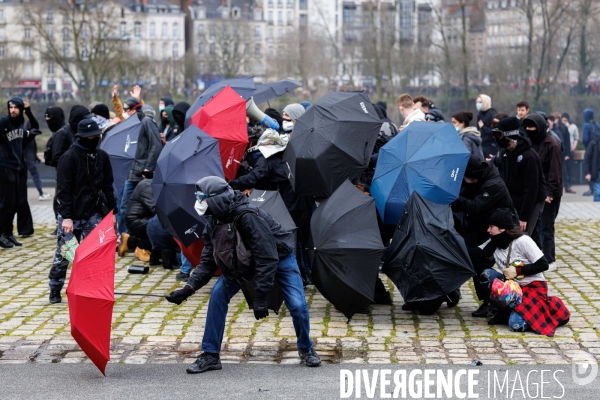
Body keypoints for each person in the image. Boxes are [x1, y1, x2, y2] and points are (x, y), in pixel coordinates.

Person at [166, 176, 321, 373]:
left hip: (278, 257)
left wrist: (260, 296)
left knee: (298, 306)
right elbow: (207, 261)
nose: (199, 203)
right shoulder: (213, 221)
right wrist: (188, 289)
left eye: (202, 198)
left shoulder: (248, 215)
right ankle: (210, 354)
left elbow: (267, 257)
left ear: (216, 199)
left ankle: (306, 348)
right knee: (218, 295)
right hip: (242, 262)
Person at [49, 119, 118, 303]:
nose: (93, 139)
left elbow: (108, 186)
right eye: (90, 137)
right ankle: (55, 288)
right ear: (81, 137)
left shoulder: (102, 156)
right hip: (70, 215)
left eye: (96, 136)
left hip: (93, 213)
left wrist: (112, 213)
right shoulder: (68, 158)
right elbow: (63, 191)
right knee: (64, 254)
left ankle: (94, 289)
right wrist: (67, 218)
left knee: (96, 254)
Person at [477, 209, 570, 335]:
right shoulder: (494, 243)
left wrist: (517, 271)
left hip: (532, 288)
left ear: (502, 229)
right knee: (487, 275)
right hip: (513, 288)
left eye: (492, 226)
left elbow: (543, 264)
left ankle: (553, 309)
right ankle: (504, 310)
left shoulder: (523, 241)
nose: (488, 230)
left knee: (516, 326)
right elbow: (476, 254)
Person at [452, 156, 513, 318]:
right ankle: (451, 289)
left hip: (497, 229)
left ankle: (490, 301)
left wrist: (454, 197)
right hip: (480, 226)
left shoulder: (493, 185)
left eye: (466, 177)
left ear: (474, 175)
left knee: (477, 260)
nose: (464, 180)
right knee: (460, 252)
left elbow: (474, 206)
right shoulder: (478, 178)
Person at [492, 117, 546, 243]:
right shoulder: (505, 154)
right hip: (516, 200)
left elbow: (532, 189)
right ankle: (540, 259)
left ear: (509, 135)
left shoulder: (529, 157)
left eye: (499, 134)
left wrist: (524, 217)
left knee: (523, 236)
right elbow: (505, 181)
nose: (496, 138)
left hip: (533, 201)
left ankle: (535, 261)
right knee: (528, 234)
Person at [522, 114, 562, 270]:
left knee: (546, 226)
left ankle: (550, 259)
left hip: (549, 193)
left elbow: (555, 172)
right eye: (527, 127)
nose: (529, 130)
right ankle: (538, 255)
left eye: (532, 127)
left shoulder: (552, 144)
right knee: (535, 226)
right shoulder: (530, 143)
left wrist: (550, 193)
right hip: (536, 190)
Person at [117, 97, 161, 237]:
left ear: (134, 110)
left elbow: (156, 145)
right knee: (125, 206)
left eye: (126, 109)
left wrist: (148, 167)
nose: (124, 112)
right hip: (132, 170)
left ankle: (133, 237)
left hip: (142, 172)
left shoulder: (146, 122)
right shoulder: (132, 124)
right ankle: (125, 235)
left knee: (138, 206)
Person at [0, 97, 41, 249]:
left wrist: (28, 111)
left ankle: (8, 233)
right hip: (4, 166)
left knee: (13, 203)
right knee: (5, 203)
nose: (13, 110)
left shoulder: (20, 124)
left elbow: (35, 127)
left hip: (16, 167)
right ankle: (1, 234)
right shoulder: (3, 122)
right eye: (10, 107)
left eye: (16, 107)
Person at [120, 178, 155, 263]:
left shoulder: (151, 185)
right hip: (136, 221)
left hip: (142, 218)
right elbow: (154, 208)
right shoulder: (147, 186)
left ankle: (129, 241)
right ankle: (141, 247)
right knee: (161, 227)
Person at [581, 109, 599, 196]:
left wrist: (587, 146)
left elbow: (584, 138)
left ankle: (592, 188)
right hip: (597, 149)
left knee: (588, 167)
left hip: (589, 148)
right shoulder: (597, 125)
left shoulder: (586, 126)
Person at [561, 112, 578, 194]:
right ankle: (565, 185)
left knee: (569, 169)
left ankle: (569, 185)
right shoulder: (560, 127)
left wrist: (574, 147)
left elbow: (576, 138)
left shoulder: (573, 127)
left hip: (570, 150)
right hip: (563, 151)